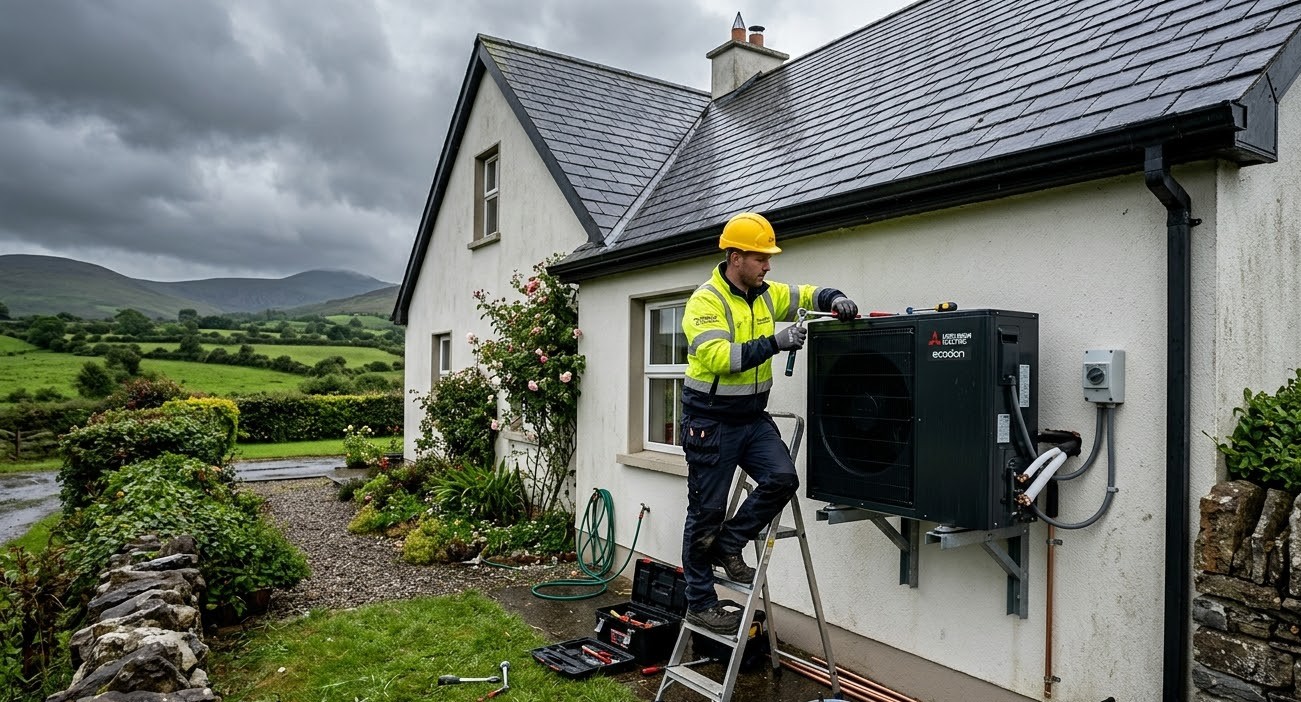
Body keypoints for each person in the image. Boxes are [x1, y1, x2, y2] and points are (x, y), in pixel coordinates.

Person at [679, 211, 858, 634]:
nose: (768, 265)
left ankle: (730, 543)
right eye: (761, 258)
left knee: (782, 478)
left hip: (751, 418)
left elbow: (807, 294)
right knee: (705, 512)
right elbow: (721, 358)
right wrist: (775, 343)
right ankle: (699, 602)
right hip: (710, 422)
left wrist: (835, 299)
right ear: (736, 257)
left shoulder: (765, 292)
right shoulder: (705, 301)